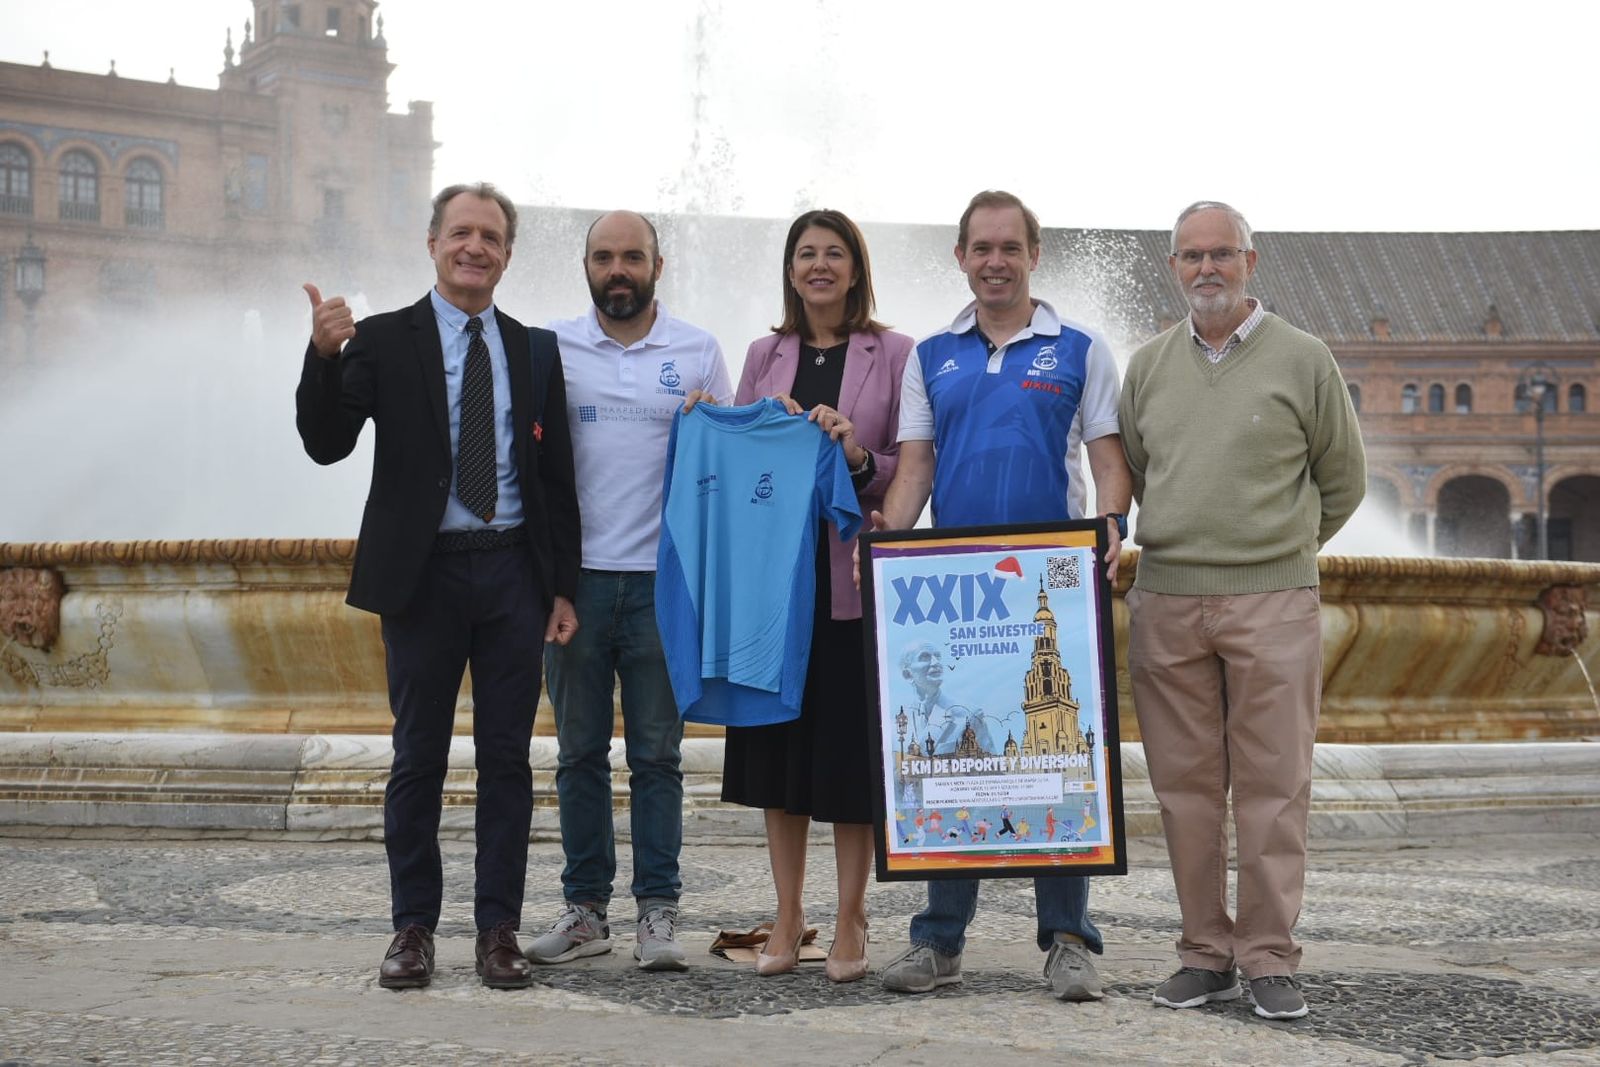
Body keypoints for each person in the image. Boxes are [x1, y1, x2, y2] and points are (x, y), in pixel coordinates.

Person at [296, 183, 580, 990]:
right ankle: (411, 928)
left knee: (507, 763)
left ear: (507, 254)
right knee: (417, 758)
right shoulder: (384, 340)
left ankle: (498, 930)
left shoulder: (533, 350)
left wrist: (561, 588)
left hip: (511, 572)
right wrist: (322, 356)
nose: (475, 248)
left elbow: (555, 479)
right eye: (461, 233)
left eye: (490, 237)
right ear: (432, 244)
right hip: (421, 575)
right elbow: (325, 443)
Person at [870, 190, 1132, 1002]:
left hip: (1050, 583)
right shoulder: (931, 356)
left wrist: (1114, 524)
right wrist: (885, 544)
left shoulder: (1081, 350)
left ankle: (1068, 941)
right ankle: (940, 940)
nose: (995, 261)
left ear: (1032, 255)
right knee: (958, 756)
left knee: (1058, 761)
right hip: (957, 589)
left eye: (1009, 247)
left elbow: (1109, 456)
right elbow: (914, 468)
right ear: (960, 257)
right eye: (980, 247)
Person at [1119, 200, 1365, 1020]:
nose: (1206, 269)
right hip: (1169, 600)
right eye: (1191, 256)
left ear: (1250, 263)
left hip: (1273, 599)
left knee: (1273, 786)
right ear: (1174, 268)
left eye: (1222, 253)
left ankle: (1267, 955)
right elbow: (1144, 470)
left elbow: (1344, 480)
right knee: (1185, 790)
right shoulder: (1148, 366)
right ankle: (1204, 952)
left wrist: (1282, 551)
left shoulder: (1304, 358)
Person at [531, 211, 731, 972]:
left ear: (658, 264)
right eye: (605, 257)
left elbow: (726, 466)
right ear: (585, 265)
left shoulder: (699, 349)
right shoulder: (552, 347)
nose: (620, 269)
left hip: (663, 586)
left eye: (633, 257)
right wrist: (548, 582)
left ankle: (657, 913)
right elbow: (534, 468)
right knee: (578, 753)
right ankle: (586, 910)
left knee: (657, 755)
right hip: (575, 586)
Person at [720, 209, 913, 983]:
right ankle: (790, 912)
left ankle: (850, 917)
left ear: (856, 267)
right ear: (791, 270)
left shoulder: (895, 353)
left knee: (845, 763)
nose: (820, 265)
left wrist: (857, 452)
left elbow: (911, 467)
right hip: (775, 585)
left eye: (834, 252)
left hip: (849, 586)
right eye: (806, 253)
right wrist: (720, 419)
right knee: (778, 757)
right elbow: (736, 460)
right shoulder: (764, 353)